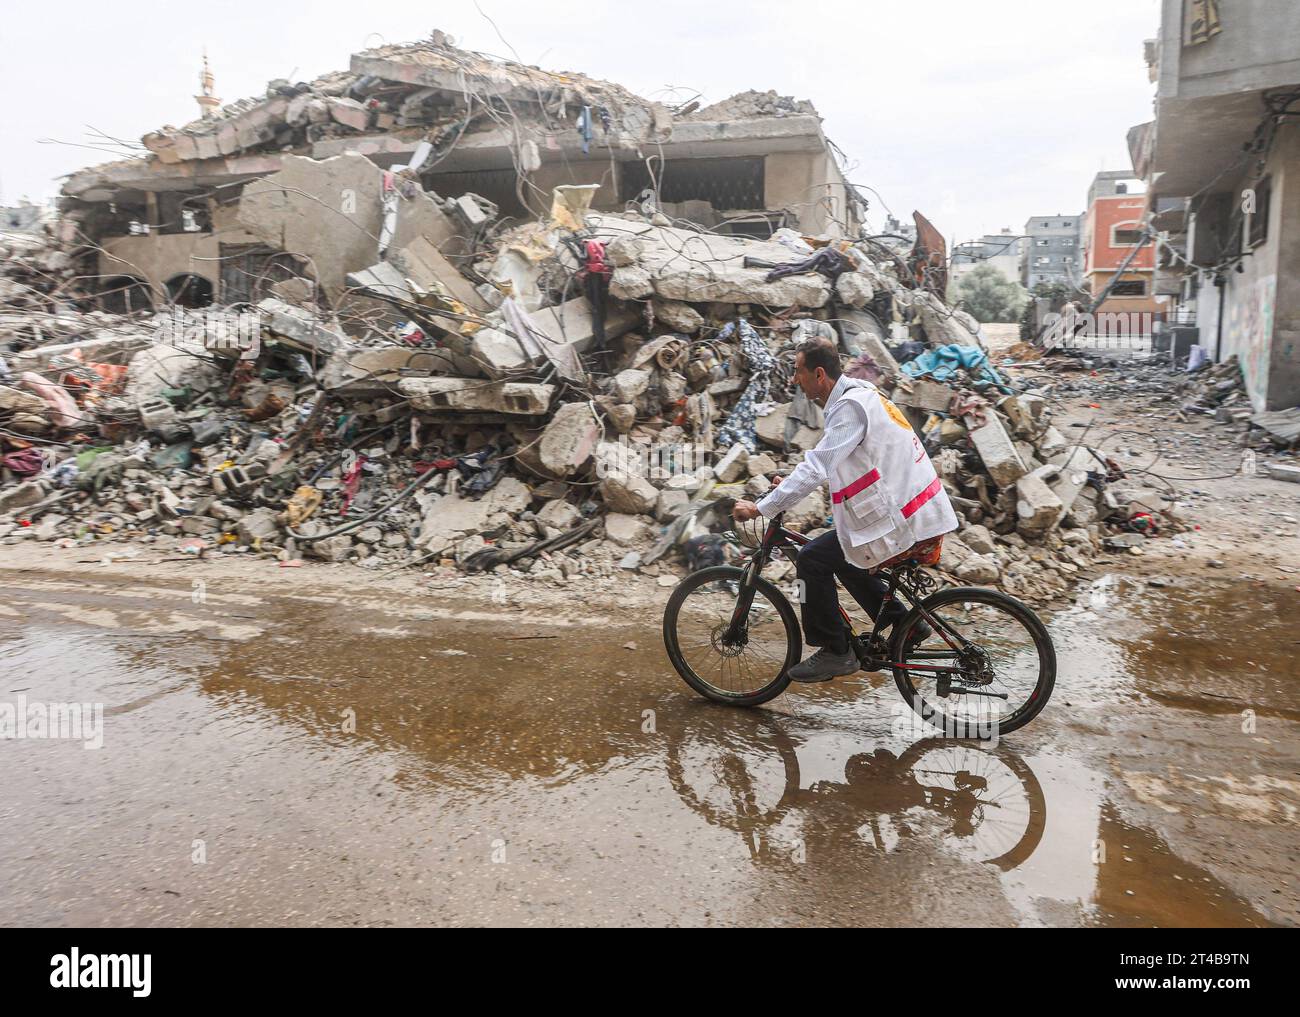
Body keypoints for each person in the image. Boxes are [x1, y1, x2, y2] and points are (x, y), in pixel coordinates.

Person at [732, 338, 959, 682]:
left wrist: (762, 507)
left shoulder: (850, 407)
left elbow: (818, 465)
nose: (794, 379)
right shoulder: (861, 395)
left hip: (905, 519)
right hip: (916, 510)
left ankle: (836, 650)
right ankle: (904, 624)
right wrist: (789, 485)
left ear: (819, 374)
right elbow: (835, 459)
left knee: (812, 558)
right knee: (849, 552)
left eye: (798, 371)